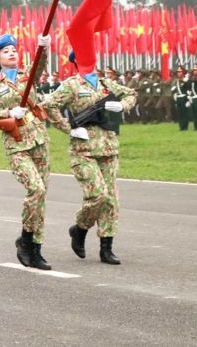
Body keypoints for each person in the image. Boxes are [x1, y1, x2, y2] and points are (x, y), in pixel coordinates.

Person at [44, 51, 137, 265]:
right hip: (83, 149)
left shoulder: (107, 84)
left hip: (108, 147)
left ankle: (107, 247)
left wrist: (123, 105)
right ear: (76, 61)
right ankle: (80, 228)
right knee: (98, 194)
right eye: (86, 58)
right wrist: (69, 128)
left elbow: (131, 93)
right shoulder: (71, 85)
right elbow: (49, 105)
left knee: (111, 199)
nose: (91, 62)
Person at [0, 33, 53, 270]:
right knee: (35, 189)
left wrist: (44, 47)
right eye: (6, 51)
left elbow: (40, 64)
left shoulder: (27, 75)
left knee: (41, 197)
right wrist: (7, 114)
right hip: (16, 143)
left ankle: (36, 249)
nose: (12, 53)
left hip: (39, 139)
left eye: (13, 49)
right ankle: (25, 239)